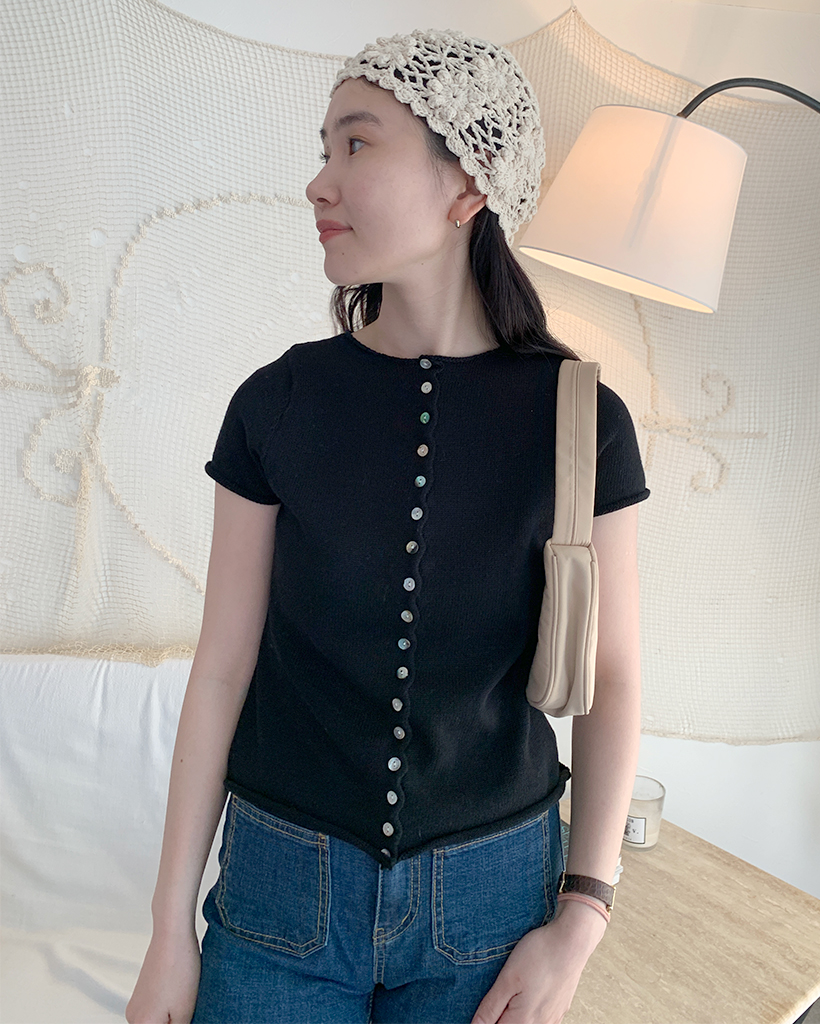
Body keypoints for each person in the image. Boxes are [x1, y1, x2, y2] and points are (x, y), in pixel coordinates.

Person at [126, 27, 649, 1024]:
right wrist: (168, 930)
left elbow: (612, 677)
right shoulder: (276, 403)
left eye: (356, 144)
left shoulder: (585, 420)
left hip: (493, 905)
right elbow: (223, 668)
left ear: (469, 183)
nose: (318, 183)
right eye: (323, 149)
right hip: (279, 892)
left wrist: (582, 914)